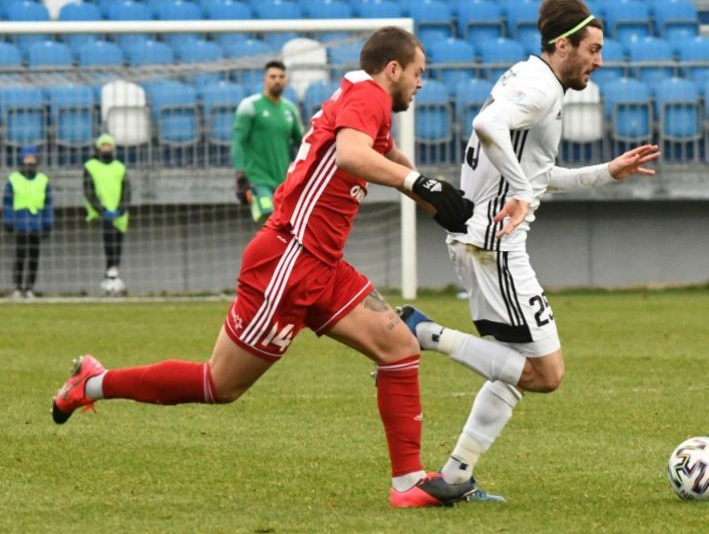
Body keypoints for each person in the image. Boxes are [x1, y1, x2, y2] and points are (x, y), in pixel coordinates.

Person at [51, 26, 477, 508]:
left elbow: (381, 151)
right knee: (219, 384)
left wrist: (431, 193)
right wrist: (421, 184)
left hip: (322, 264)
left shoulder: (365, 97)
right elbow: (353, 155)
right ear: (394, 69)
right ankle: (90, 383)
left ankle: (407, 483)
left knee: (398, 347)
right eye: (419, 73)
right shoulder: (371, 97)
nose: (422, 83)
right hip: (289, 260)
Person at [398, 0, 661, 501]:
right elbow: (487, 128)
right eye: (593, 49)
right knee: (547, 373)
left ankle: (453, 479)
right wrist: (519, 190)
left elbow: (541, 177)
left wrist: (608, 172)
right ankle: (422, 332)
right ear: (563, 45)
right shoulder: (540, 89)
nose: (599, 61)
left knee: (516, 369)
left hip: (482, 240)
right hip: (496, 244)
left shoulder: (531, 79)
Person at [232, 60, 305, 222]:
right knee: (269, 218)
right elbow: (238, 142)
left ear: (286, 80)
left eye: (281, 76)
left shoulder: (290, 109)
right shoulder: (249, 106)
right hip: (258, 180)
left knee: (285, 225)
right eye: (272, 76)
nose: (277, 80)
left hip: (284, 182)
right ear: (264, 80)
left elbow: (302, 143)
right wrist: (240, 174)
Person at [2, 145, 54, 298]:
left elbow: (48, 204)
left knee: (33, 257)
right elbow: (7, 202)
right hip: (20, 224)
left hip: (36, 224)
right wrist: (9, 220)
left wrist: (47, 223)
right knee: (19, 257)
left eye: (32, 159)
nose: (29, 162)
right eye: (26, 158)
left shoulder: (43, 180)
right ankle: (18, 288)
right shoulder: (14, 179)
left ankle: (30, 287)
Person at [83, 133, 131, 295]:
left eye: (108, 146)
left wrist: (122, 208)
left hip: (119, 213)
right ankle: (110, 278)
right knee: (109, 245)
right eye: (103, 146)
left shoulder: (120, 167)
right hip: (102, 213)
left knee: (117, 245)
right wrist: (101, 209)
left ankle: (112, 278)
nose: (106, 149)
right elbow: (88, 191)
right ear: (98, 148)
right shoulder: (90, 166)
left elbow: (127, 190)